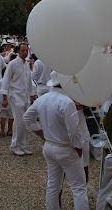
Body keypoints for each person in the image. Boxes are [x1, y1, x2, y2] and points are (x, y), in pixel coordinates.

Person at [23, 71, 89, 210]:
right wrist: (78, 147)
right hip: (65, 147)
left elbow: (27, 118)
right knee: (79, 187)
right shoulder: (66, 102)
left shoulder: (42, 98)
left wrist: (41, 133)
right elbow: (74, 130)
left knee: (53, 184)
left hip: (49, 146)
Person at [1, 43, 33, 156]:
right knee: (19, 121)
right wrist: (4, 97)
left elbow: (28, 81)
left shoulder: (26, 65)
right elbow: (6, 80)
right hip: (15, 95)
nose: (25, 52)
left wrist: (31, 95)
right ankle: (14, 146)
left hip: (24, 96)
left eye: (26, 50)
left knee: (24, 121)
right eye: (23, 50)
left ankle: (22, 145)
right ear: (18, 51)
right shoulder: (13, 64)